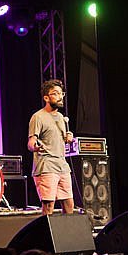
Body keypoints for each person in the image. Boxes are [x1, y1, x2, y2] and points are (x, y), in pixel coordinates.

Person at [27, 79, 74, 215]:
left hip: (62, 165)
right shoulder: (38, 117)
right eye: (55, 93)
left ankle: (67, 229)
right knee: (49, 206)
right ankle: (46, 229)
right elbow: (31, 142)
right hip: (46, 165)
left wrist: (68, 138)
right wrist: (34, 147)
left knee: (69, 204)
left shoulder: (61, 117)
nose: (60, 97)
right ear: (46, 98)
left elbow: (56, 140)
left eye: (61, 93)